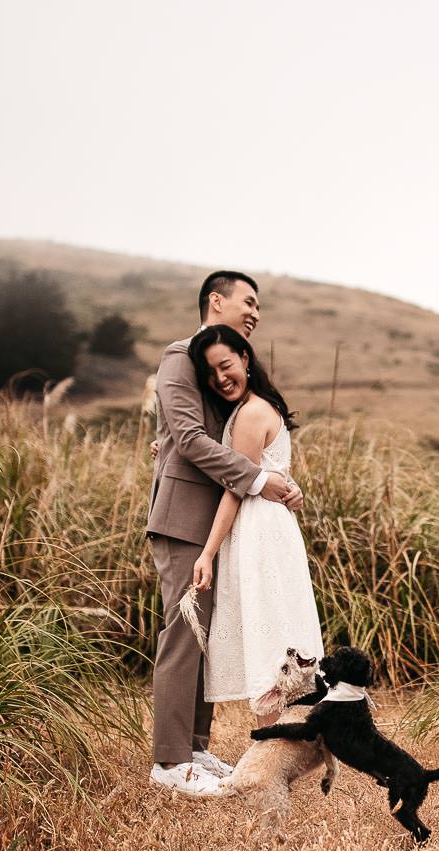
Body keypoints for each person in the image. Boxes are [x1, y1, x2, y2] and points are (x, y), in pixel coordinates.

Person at [145, 270, 302, 796]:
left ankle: (194, 748)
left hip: (213, 517)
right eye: (248, 302)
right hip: (182, 517)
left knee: (201, 637)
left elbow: (198, 437)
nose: (255, 313)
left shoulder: (217, 364)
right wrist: (260, 479)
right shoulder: (180, 357)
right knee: (183, 633)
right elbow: (188, 438)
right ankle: (168, 762)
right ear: (217, 300)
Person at [187, 325, 324, 718]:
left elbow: (235, 487)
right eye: (210, 373)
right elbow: (270, 472)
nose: (219, 378)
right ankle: (289, 736)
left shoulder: (250, 413)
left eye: (225, 365)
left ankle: (274, 742)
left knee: (270, 636)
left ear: (246, 359)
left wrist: (207, 553)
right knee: (279, 627)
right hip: (273, 526)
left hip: (258, 532)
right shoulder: (261, 407)